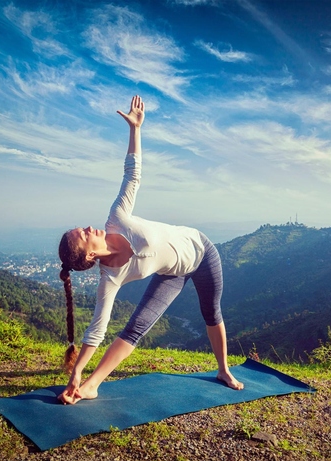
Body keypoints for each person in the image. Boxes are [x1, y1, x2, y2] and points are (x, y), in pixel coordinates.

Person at [57, 95, 244, 405]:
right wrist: (76, 373)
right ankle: (91, 385)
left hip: (202, 252)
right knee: (136, 327)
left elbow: (132, 175)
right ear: (89, 255)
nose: (89, 228)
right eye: (84, 234)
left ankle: (224, 370)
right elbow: (96, 330)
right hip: (171, 273)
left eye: (84, 226)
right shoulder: (110, 279)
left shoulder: (117, 218)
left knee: (211, 313)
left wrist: (135, 129)